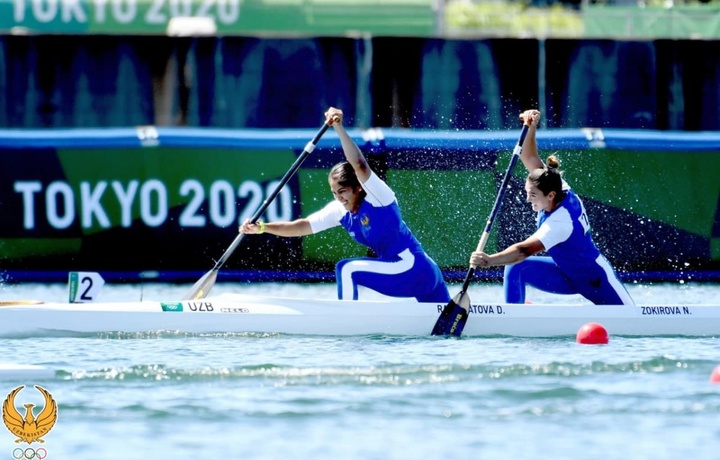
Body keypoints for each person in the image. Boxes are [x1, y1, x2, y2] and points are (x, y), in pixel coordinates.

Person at [239, 107, 451, 303]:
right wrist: (263, 228)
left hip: (413, 268)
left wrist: (338, 127)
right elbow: (302, 226)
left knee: (347, 269)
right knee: (444, 333)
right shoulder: (340, 211)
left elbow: (359, 164)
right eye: (334, 193)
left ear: (357, 187)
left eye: (342, 191)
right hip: (424, 272)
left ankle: (348, 323)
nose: (339, 198)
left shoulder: (377, 196)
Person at [469, 109, 634, 305]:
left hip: (596, 279)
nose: (528, 200)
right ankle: (514, 319)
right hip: (565, 275)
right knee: (516, 268)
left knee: (638, 324)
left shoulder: (560, 222)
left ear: (551, 196)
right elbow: (529, 156)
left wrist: (489, 260)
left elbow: (523, 250)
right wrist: (531, 126)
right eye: (527, 193)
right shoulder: (554, 183)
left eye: (533, 195)